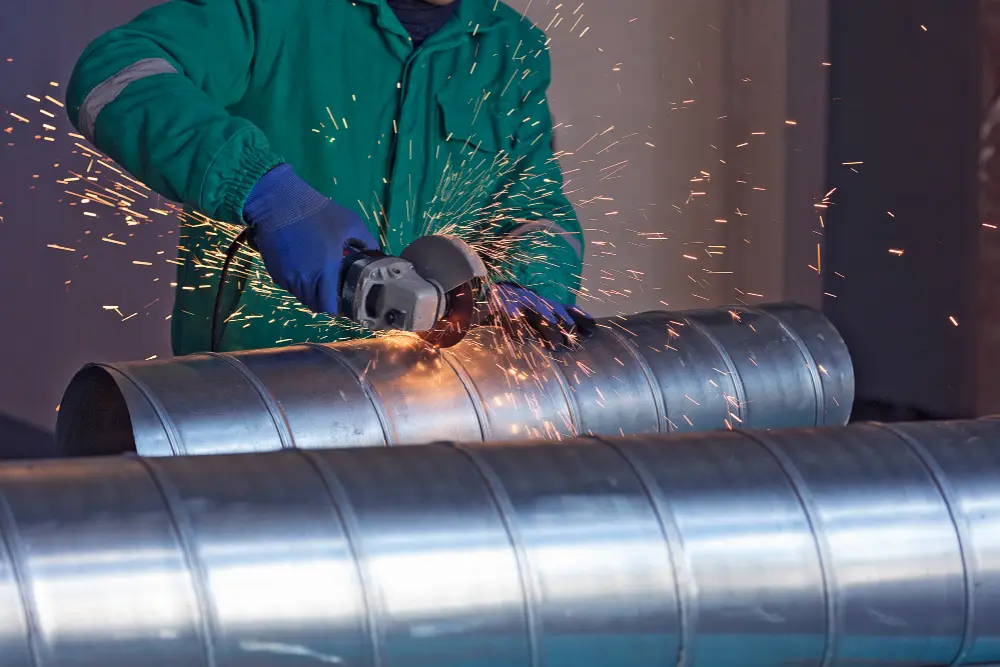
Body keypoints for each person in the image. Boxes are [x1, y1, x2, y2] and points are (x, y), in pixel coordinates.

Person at [66, 0, 588, 355]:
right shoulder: (275, 10)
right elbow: (114, 75)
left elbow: (532, 206)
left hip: (429, 393)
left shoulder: (509, 47)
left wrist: (530, 284)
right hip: (257, 380)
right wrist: (265, 192)